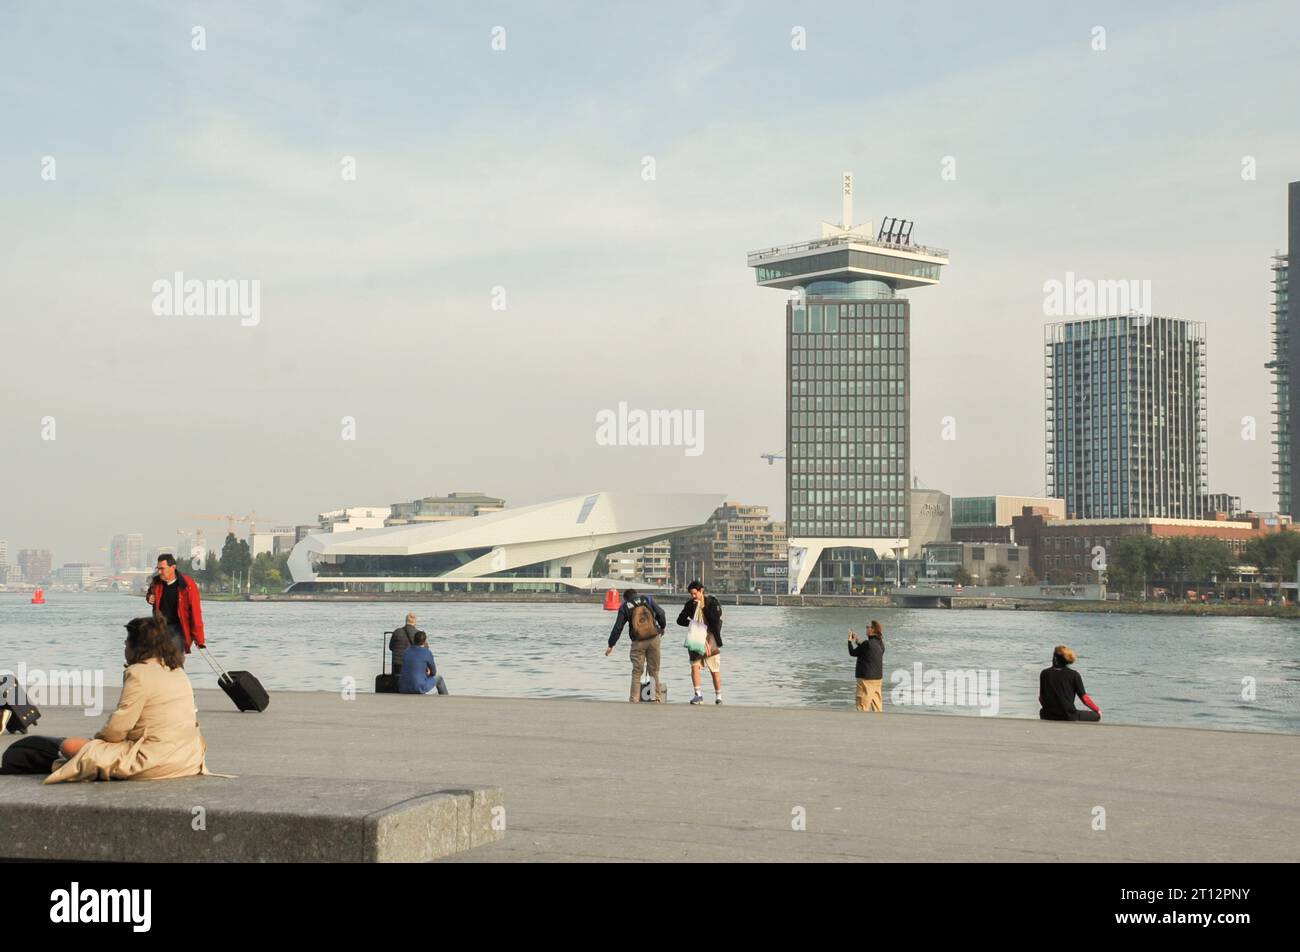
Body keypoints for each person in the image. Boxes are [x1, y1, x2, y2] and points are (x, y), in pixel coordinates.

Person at [44, 616, 210, 783]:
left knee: (69, 745)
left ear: (137, 647)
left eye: (126, 643)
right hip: (188, 758)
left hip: (155, 760)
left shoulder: (139, 673)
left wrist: (97, 742)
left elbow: (118, 728)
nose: (124, 647)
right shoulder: (178, 672)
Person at [605, 588, 667, 702]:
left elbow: (618, 627)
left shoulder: (624, 607)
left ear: (625, 598)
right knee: (654, 670)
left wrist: (611, 644)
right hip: (653, 638)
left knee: (637, 672)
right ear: (636, 594)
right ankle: (655, 698)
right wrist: (662, 627)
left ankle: (634, 699)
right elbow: (661, 613)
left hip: (637, 642)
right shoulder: (647, 599)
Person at [145, 553, 206, 664]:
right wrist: (149, 597)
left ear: (173, 567)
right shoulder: (156, 582)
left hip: (178, 630)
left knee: (175, 663)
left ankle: (177, 679)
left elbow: (196, 613)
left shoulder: (188, 585)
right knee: (158, 663)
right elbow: (150, 593)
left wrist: (199, 640)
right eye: (158, 568)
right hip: (160, 629)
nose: (159, 572)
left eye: (162, 569)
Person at [676, 580, 723, 705]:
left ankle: (718, 696)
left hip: (711, 638)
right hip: (696, 638)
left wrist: (703, 608)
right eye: (691, 594)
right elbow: (680, 620)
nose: (693, 596)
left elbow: (715, 621)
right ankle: (698, 694)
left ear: (701, 590)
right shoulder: (690, 604)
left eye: (695, 593)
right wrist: (692, 623)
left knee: (714, 669)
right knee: (694, 666)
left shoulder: (712, 603)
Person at [1038, 645, 1102, 722]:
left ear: (1055, 658)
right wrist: (1097, 710)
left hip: (1047, 715)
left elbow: (1041, 698)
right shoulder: (1074, 675)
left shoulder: (1044, 673)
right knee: (1097, 715)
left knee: (1042, 710)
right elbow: (1085, 699)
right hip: (1068, 715)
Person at [848, 620, 885, 712]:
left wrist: (849, 641)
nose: (866, 628)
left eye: (868, 627)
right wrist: (857, 641)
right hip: (877, 678)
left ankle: (862, 723)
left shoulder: (867, 644)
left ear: (872, 630)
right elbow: (868, 650)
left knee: (862, 704)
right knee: (877, 705)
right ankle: (879, 723)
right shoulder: (880, 644)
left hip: (866, 678)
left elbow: (852, 653)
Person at [397, 630, 449, 695]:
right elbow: (433, 672)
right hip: (418, 688)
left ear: (414, 639)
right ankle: (446, 697)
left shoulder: (406, 651)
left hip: (403, 688)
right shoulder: (427, 652)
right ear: (424, 641)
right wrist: (427, 674)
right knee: (439, 678)